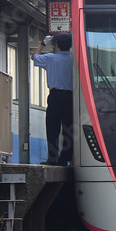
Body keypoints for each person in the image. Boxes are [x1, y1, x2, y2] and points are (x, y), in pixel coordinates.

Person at [32, 31, 74, 165]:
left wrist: (44, 43)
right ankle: (65, 159)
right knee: (68, 128)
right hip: (71, 97)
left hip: (55, 96)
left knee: (52, 128)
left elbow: (34, 57)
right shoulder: (75, 61)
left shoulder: (50, 58)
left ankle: (52, 159)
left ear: (57, 45)